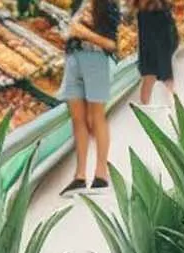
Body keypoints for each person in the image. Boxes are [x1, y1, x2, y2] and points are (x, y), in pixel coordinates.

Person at [60, 0, 121, 196]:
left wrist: (84, 34)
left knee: (96, 117)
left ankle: (101, 174)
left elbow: (112, 44)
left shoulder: (107, 4)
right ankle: (80, 176)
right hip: (73, 60)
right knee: (77, 119)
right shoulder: (77, 4)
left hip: (96, 61)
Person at [135, 0, 177, 108]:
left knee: (150, 78)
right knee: (164, 79)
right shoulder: (159, 9)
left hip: (152, 48)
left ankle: (146, 108)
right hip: (158, 47)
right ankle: (174, 108)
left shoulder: (146, 9)